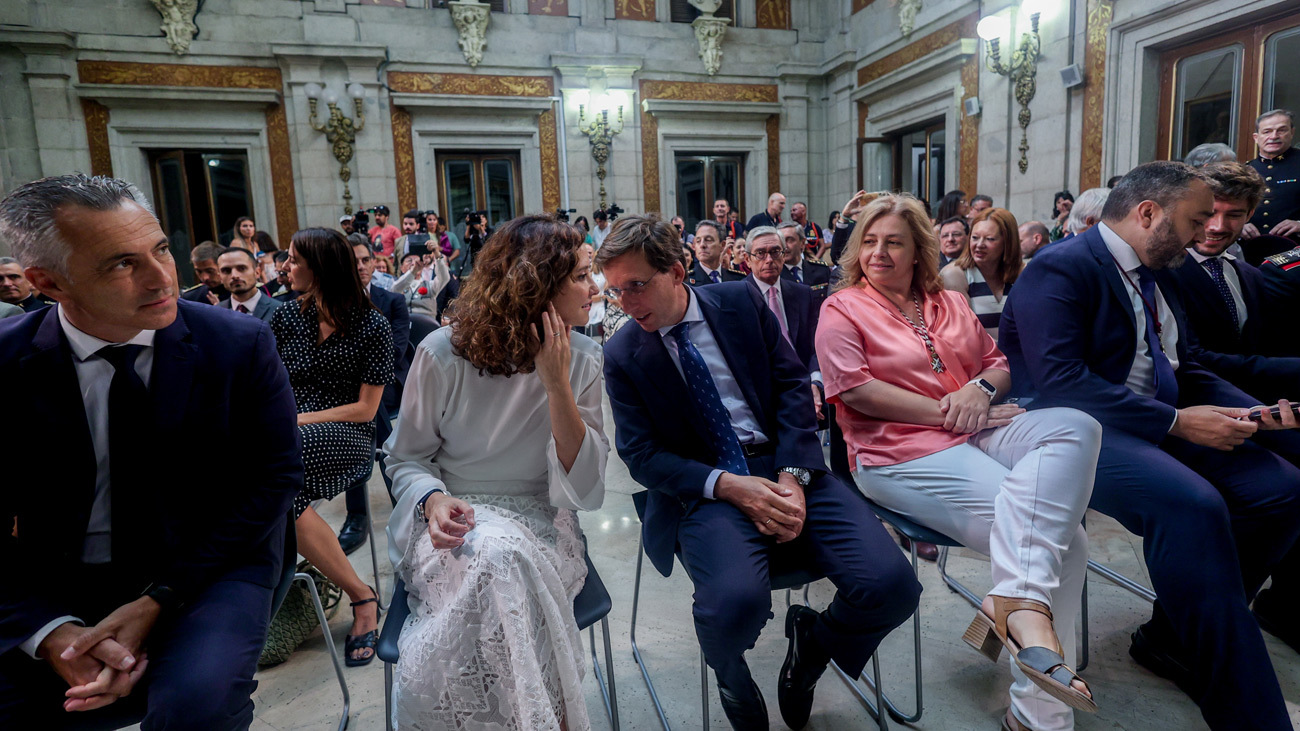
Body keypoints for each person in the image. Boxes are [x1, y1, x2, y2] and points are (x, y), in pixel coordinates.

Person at [998, 161, 1300, 731]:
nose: (1202, 232)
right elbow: (1062, 383)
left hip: (1157, 415)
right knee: (1194, 505)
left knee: (1279, 490)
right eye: (1194, 219)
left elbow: (1179, 363)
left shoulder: (1156, 269)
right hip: (1075, 433)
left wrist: (1248, 409)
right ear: (1147, 214)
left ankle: (1178, 634)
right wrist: (1178, 423)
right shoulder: (1060, 269)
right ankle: (1249, 712)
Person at [0, 174, 301, 728]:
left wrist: (160, 599)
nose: (164, 277)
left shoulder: (235, 344)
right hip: (55, 578)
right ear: (49, 282)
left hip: (207, 567)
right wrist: (47, 635)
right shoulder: (7, 364)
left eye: (161, 248)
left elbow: (274, 478)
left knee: (194, 705)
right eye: (121, 264)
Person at [602, 215, 921, 731]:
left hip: (784, 463)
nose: (625, 302)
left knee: (893, 586)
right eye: (615, 290)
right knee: (733, 606)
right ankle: (730, 674)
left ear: (678, 271)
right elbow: (640, 453)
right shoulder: (622, 353)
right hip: (706, 488)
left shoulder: (738, 303)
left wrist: (793, 473)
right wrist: (727, 486)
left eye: (636, 285)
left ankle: (813, 646)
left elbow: (792, 384)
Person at [817, 192, 1100, 731]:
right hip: (895, 452)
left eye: (894, 242)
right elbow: (855, 390)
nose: (880, 252)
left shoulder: (946, 300)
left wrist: (978, 390)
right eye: (870, 242)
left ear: (918, 249)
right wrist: (953, 413)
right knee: (1069, 543)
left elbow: (998, 365)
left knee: (1078, 426)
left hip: (976, 429)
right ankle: (1039, 715)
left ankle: (1010, 603)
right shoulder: (843, 306)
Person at [383, 215, 606, 729]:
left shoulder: (585, 359)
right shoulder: (442, 353)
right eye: (580, 276)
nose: (593, 289)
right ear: (538, 284)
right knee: (499, 562)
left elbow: (585, 484)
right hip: (451, 517)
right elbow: (406, 456)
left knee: (504, 562)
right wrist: (432, 499)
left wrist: (557, 387)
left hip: (542, 518)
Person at [271, 228, 394, 666]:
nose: (285, 267)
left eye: (293, 259)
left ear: (321, 267)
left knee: (272, 486)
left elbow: (365, 410)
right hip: (285, 432)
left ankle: (360, 596)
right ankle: (354, 593)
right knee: (273, 492)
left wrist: (295, 420)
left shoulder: (372, 325)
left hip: (346, 433)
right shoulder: (286, 318)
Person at [1160, 161, 1300, 405]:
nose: (1218, 226)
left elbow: (1260, 347)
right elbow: (1191, 357)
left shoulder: (1250, 275)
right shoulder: (1160, 269)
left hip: (1254, 408)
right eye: (1210, 213)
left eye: (1234, 215)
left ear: (1250, 214)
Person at [337, 239, 412, 555]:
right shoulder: (336, 303)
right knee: (364, 414)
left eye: (365, 260)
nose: (361, 267)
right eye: (354, 261)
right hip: (349, 387)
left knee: (369, 410)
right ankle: (403, 505)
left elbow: (394, 350)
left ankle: (358, 516)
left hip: (387, 385)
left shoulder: (392, 300)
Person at [745, 227, 824, 425]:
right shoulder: (736, 298)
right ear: (748, 260)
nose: (769, 259)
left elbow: (815, 345)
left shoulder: (803, 294)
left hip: (803, 387)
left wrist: (815, 381)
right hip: (761, 396)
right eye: (760, 254)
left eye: (775, 252)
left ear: (783, 255)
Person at [942, 208, 1023, 339]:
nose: (979, 245)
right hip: (979, 358)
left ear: (1008, 242)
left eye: (990, 239)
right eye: (975, 238)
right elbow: (962, 336)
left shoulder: (1022, 274)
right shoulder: (955, 275)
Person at [1244, 109, 1300, 250]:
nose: (1274, 136)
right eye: (1267, 131)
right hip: (1250, 251)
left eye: (1281, 130)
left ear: (1292, 132)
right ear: (1256, 137)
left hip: (1294, 251)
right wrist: (1239, 226)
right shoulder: (1245, 170)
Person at [217, 247, 281, 323]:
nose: (234, 275)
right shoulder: (215, 313)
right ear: (220, 277)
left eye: (242, 268)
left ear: (257, 272)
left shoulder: (279, 310)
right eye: (226, 271)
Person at [777, 222, 831, 306]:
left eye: (790, 240)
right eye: (781, 241)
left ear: (802, 243)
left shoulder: (821, 270)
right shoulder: (775, 274)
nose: (784, 246)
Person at [689, 220, 745, 285]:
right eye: (698, 241)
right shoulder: (686, 281)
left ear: (722, 245)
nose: (702, 245)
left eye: (708, 240)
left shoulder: (737, 279)